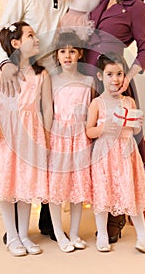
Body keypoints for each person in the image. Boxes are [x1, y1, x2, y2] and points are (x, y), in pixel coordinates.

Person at [0, 0, 88, 241]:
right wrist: (6, 63)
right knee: (19, 152)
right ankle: (16, 231)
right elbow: (3, 28)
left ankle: (48, 219)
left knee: (49, 144)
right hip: (20, 76)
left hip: (50, 78)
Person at [85, 0, 145, 243]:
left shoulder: (137, 8)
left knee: (121, 152)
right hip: (88, 82)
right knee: (94, 150)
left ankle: (117, 220)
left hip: (114, 83)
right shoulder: (98, 4)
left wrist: (129, 77)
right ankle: (97, 211)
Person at [0, 21, 53, 256]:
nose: (36, 39)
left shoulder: (41, 74)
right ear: (16, 43)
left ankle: (24, 233)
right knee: (7, 183)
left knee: (26, 183)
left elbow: (45, 110)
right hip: (6, 132)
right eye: (30, 35)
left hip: (30, 133)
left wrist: (46, 138)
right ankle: (12, 236)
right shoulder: (1, 71)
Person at [86, 53, 145, 253]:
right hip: (104, 154)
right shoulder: (96, 103)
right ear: (100, 76)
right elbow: (89, 131)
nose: (115, 79)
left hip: (126, 152)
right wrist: (103, 128)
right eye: (110, 74)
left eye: (119, 74)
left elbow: (135, 131)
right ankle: (102, 235)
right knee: (104, 194)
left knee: (131, 192)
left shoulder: (129, 102)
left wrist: (137, 124)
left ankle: (142, 236)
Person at [48, 32, 95, 252]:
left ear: (80, 54)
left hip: (81, 136)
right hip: (59, 136)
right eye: (63, 51)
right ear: (57, 55)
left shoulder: (88, 80)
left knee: (79, 185)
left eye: (72, 51)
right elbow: (48, 112)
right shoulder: (51, 79)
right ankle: (59, 233)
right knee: (57, 187)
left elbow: (91, 112)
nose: (67, 56)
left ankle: (74, 233)